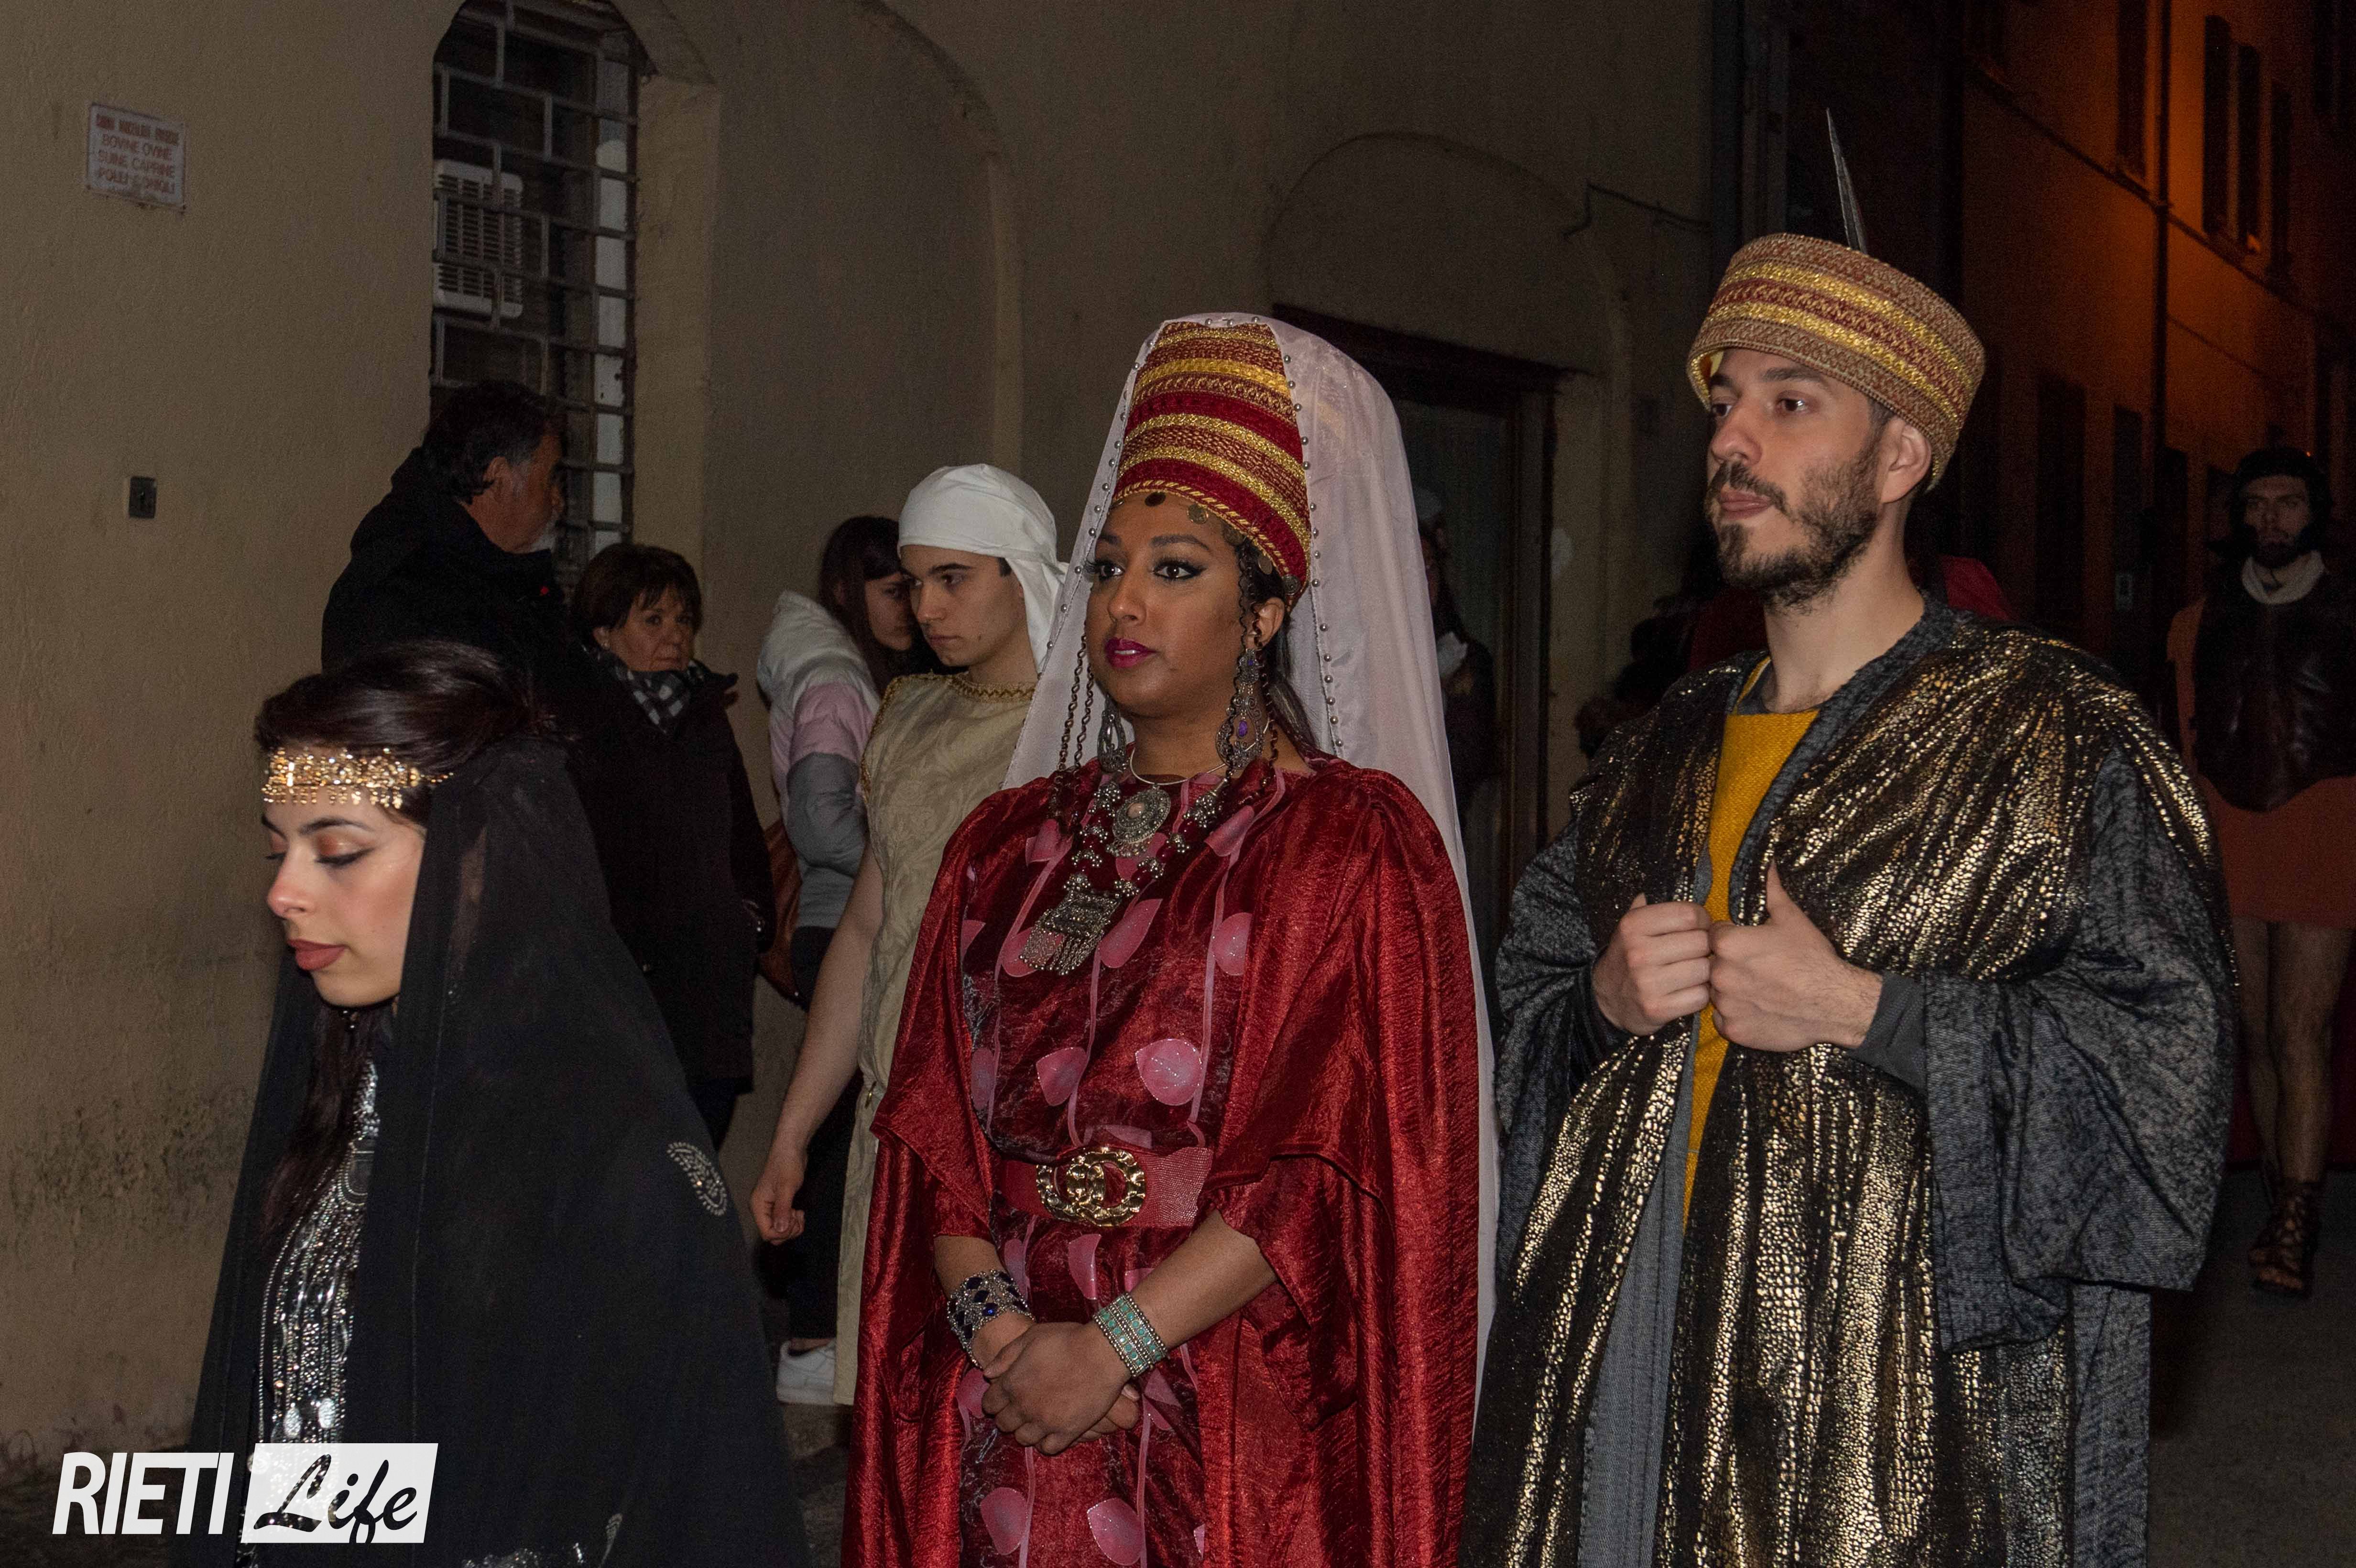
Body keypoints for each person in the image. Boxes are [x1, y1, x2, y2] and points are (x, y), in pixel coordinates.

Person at [1468, 236, 2236, 1568]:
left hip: (1890, 1436)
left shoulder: (2058, 739)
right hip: (1627, 1367)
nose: (1733, 439)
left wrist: (1870, 1011)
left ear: (1899, 459)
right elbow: (1519, 1008)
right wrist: (1595, 1003)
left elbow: (2168, 1085)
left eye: (1791, 401)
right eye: (1726, 403)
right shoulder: (1654, 751)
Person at [847, 316, 1489, 1568]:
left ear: (1265, 612)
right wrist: (1011, 1347)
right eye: (1107, 568)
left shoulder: (1344, 845)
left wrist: (1114, 1347)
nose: (1125, 601)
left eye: (1178, 569)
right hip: (1004, 1386)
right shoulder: (1005, 843)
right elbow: (934, 1131)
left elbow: (1321, 1161)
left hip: (1221, 1389)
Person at [180, 641, 807, 1568]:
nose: (283, 892)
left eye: (338, 852)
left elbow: (695, 1500)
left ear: (476, 858)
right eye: (279, 848)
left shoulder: (614, 1153)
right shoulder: (346, 1093)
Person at [750, 463, 1058, 1406]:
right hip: (899, 1108)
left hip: (1023, 1122)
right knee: (905, 1409)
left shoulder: (1085, 726)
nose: (925, 607)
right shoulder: (908, 713)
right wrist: (795, 1131)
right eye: (913, 581)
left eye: (952, 578)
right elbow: (867, 933)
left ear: (1018, 573)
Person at [2167, 445, 2356, 1297]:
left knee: (2300, 1029)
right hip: (2230, 836)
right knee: (2254, 1033)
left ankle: (2296, 1221)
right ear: (2239, 516)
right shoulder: (2196, 622)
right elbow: (2184, 740)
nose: (2272, 518)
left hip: (2327, 829)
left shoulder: (2350, 612)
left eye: (2288, 502)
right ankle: (2284, 1195)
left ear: (2313, 514)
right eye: (2257, 504)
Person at [754, 514, 931, 1400]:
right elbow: (820, 824)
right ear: (845, 593)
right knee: (834, 1148)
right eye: (895, 589)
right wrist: (913, 848)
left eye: (922, 587)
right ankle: (815, 1336)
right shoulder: (834, 682)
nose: (915, 608)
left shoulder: (870, 678)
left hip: (860, 919)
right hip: (842, 925)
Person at [567, 543, 774, 1148]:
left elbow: (742, 832)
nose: (674, 635)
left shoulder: (704, 715)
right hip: (621, 992)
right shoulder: (578, 721)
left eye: (683, 619)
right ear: (604, 632)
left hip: (708, 990)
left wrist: (746, 921)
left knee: (697, 1161)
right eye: (652, 619)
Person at [321, 382, 585, 715]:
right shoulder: (400, 595)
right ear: (499, 478)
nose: (559, 502)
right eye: (550, 481)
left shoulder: (500, 582)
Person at [1416, 486, 1500, 813]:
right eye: (1415, 570)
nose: (1425, 582)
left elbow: (1466, 766)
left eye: (1431, 569)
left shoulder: (1469, 659)